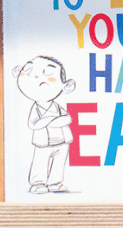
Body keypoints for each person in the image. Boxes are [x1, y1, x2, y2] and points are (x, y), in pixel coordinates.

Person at [12, 56, 76, 194]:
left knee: (58, 162)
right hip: (43, 143)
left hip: (62, 141)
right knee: (40, 162)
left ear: (66, 86)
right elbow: (33, 124)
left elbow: (67, 118)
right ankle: (38, 183)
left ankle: (55, 182)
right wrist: (51, 120)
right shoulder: (36, 108)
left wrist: (49, 121)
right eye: (28, 70)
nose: (38, 78)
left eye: (48, 74)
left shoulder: (56, 107)